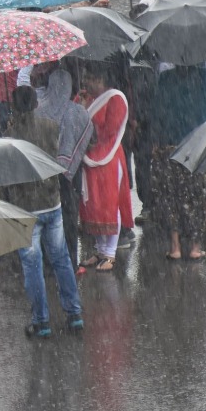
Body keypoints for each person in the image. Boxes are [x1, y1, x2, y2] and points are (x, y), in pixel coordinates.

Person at [4, 86, 83, 339]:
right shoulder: (50, 127)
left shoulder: (10, 136)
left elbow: (7, 177)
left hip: (26, 210)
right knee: (61, 260)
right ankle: (74, 314)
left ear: (14, 107)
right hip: (52, 202)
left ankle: (41, 322)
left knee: (32, 265)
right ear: (37, 104)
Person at [151, 65, 206, 260]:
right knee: (196, 196)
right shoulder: (205, 75)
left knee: (171, 194)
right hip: (196, 144)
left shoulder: (165, 78)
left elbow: (156, 110)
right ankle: (195, 248)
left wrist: (156, 138)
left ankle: (175, 247)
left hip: (169, 144)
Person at [78, 64, 133, 272]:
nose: (88, 83)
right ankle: (100, 250)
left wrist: (87, 124)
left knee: (110, 204)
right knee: (94, 205)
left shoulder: (115, 99)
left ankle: (110, 253)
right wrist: (81, 108)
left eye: (92, 79)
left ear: (103, 81)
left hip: (108, 159)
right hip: (89, 159)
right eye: (87, 78)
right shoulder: (85, 98)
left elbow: (109, 131)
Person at [36, 68, 94, 264]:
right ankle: (69, 259)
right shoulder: (78, 112)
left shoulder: (39, 109)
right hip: (70, 177)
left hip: (45, 174)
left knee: (48, 218)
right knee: (69, 217)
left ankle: (49, 261)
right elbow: (88, 136)